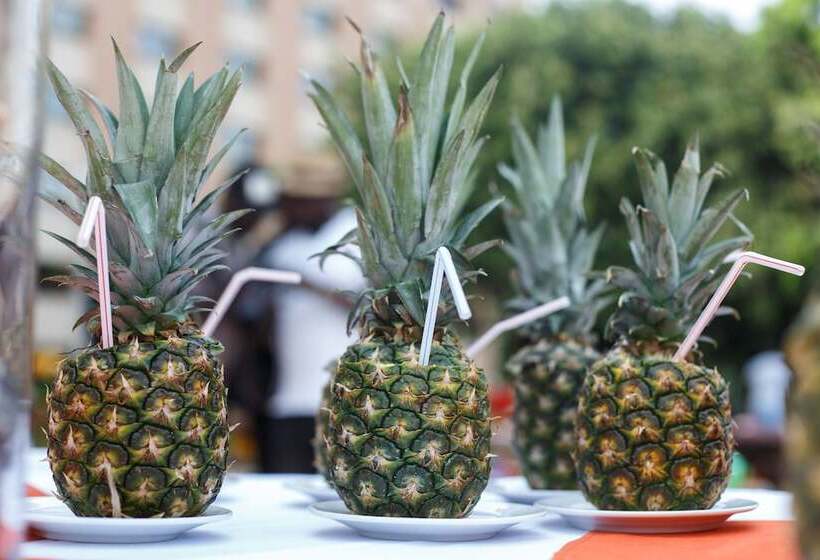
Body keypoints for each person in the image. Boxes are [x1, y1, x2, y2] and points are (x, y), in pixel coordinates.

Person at [259, 193, 364, 472]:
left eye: (302, 198)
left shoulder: (352, 232)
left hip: (343, 400)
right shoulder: (284, 245)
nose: (292, 207)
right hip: (287, 400)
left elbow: (368, 307)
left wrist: (308, 284)